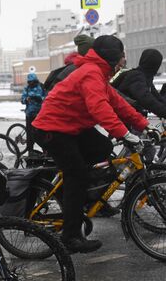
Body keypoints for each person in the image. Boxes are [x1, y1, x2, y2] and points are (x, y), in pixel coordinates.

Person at [32, 35, 151, 254]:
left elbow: (118, 104)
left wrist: (144, 125)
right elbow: (100, 109)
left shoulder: (99, 74)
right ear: (110, 59)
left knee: (103, 147)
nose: (123, 62)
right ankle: (70, 236)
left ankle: (77, 192)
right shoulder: (91, 74)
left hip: (70, 126)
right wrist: (126, 134)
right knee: (76, 174)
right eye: (120, 57)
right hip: (52, 128)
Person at [111, 49, 166, 119]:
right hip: (121, 117)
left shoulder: (145, 77)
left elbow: (156, 97)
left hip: (129, 116)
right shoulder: (136, 76)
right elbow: (147, 100)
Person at [20, 72, 46, 155]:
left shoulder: (41, 87)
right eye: (29, 82)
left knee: (41, 132)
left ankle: (45, 150)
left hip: (40, 114)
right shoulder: (26, 89)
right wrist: (26, 100)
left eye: (32, 81)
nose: (31, 83)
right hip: (30, 114)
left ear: (35, 80)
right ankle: (30, 150)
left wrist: (39, 99)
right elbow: (22, 100)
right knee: (30, 133)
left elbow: (46, 97)